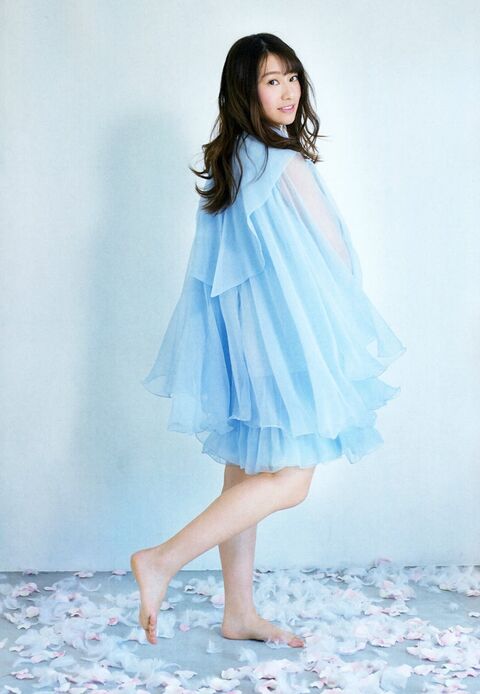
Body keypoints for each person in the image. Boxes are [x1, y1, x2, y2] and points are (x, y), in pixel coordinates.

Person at [131, 33, 406, 647]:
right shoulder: (282, 161)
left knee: (245, 472)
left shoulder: (233, 162)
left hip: (245, 346)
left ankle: (240, 612)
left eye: (292, 77)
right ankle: (161, 560)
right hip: (287, 342)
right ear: (245, 91)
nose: (287, 92)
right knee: (291, 481)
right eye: (271, 81)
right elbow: (332, 249)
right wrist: (342, 325)